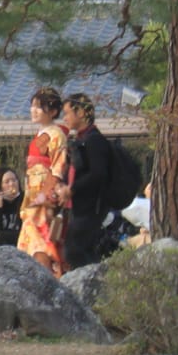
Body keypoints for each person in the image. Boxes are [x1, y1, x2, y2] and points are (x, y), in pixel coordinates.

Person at [59, 91, 115, 272]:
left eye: (67, 113)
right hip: (79, 207)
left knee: (74, 250)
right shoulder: (80, 140)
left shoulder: (94, 140)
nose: (64, 117)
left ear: (81, 113)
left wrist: (72, 189)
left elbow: (98, 174)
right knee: (78, 250)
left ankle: (93, 287)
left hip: (92, 207)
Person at [21, 87, 68, 275]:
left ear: (53, 111)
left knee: (42, 239)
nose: (33, 110)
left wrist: (46, 194)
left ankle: (46, 277)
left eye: (39, 107)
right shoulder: (41, 134)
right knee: (33, 238)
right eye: (32, 106)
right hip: (33, 191)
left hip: (44, 192)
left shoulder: (57, 134)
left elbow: (58, 166)